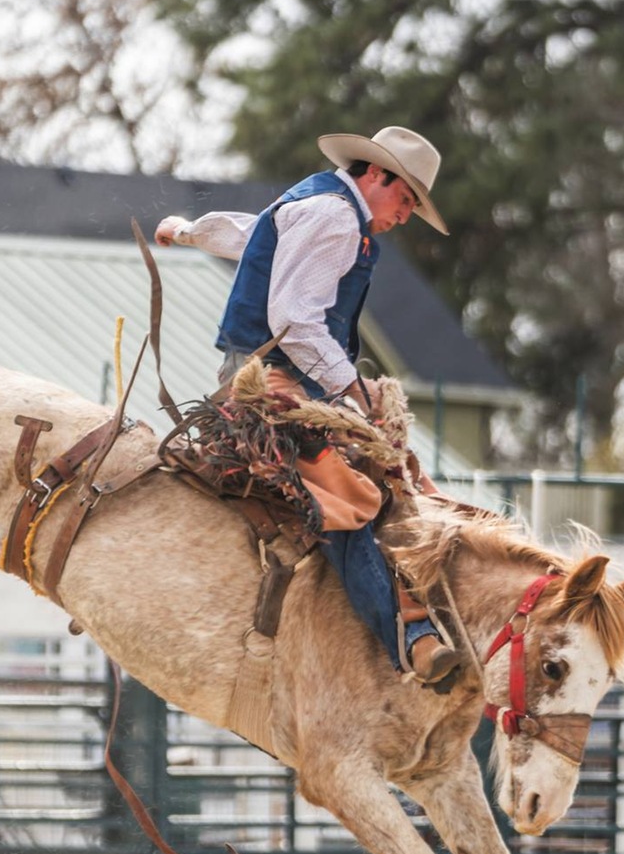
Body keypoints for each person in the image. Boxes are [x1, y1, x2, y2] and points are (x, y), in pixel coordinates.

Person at [155, 125, 460, 685]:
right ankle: (409, 640)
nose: (403, 215)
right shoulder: (338, 217)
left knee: (380, 478)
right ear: (375, 174)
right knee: (343, 498)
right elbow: (294, 321)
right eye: (405, 198)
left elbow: (258, 238)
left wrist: (190, 231)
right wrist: (352, 390)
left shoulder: (320, 201)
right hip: (272, 379)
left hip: (280, 373)